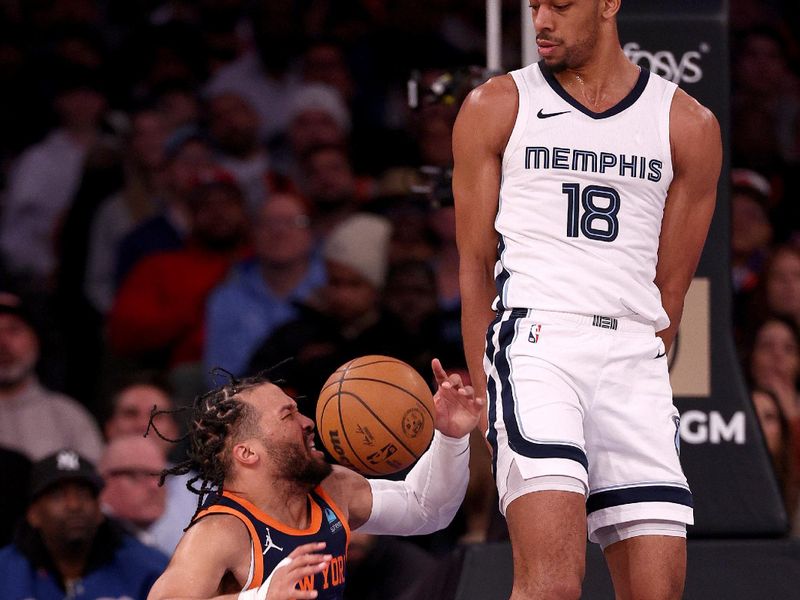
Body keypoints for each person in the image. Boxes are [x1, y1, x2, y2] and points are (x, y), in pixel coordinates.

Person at [451, 1, 721, 598]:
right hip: (538, 344)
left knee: (656, 591)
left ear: (608, 3)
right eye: (533, 6)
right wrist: (486, 387)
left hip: (633, 356)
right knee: (551, 585)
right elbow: (473, 264)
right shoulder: (496, 106)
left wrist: (638, 361)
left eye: (560, 4)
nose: (541, 20)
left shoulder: (687, 124)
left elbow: (672, 286)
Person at [146, 358, 481, 599]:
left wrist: (450, 437)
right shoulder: (220, 532)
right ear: (247, 453)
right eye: (288, 415)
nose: (308, 421)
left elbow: (426, 510)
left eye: (298, 409)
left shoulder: (334, 488)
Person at [0, 449, 168, 600]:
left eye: (84, 494)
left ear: (99, 511)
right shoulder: (6, 572)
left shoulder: (147, 567)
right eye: (57, 495)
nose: (74, 505)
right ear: (33, 514)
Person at [0, 292, 104, 463]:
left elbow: (89, 480)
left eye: (13, 330)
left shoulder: (68, 418)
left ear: (36, 340)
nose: (2, 342)